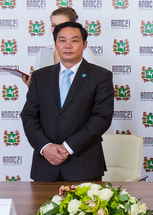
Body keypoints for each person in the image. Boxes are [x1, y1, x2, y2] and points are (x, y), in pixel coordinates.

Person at [21, 21, 114, 181]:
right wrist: (46, 147)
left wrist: (68, 148)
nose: (68, 46)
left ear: (84, 44)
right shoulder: (39, 77)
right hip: (45, 166)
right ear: (55, 44)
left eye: (74, 40)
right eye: (62, 40)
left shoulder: (100, 77)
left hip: (84, 166)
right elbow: (29, 116)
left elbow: (101, 118)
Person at [26, 6, 96, 85]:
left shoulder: (83, 50)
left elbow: (92, 80)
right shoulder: (43, 52)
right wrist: (32, 86)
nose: (57, 29)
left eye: (62, 25)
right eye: (53, 25)